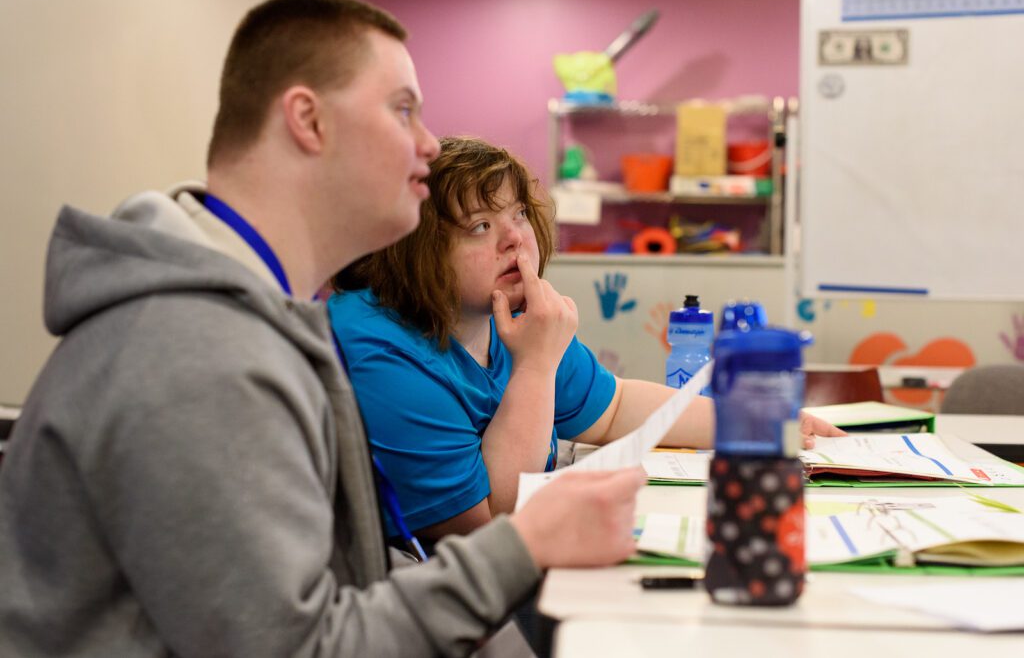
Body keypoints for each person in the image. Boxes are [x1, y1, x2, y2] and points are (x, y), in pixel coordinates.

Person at [0, 0, 646, 658]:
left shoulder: (264, 314)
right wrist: (526, 542)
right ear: (308, 121)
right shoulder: (197, 355)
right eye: (402, 111)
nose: (427, 145)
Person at [329, 136, 843, 542]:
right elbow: (493, 526)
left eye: (518, 214)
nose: (516, 239)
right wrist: (536, 364)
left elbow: (614, 408)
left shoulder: (500, 311)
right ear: (412, 248)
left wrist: (754, 422)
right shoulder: (380, 350)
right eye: (480, 226)